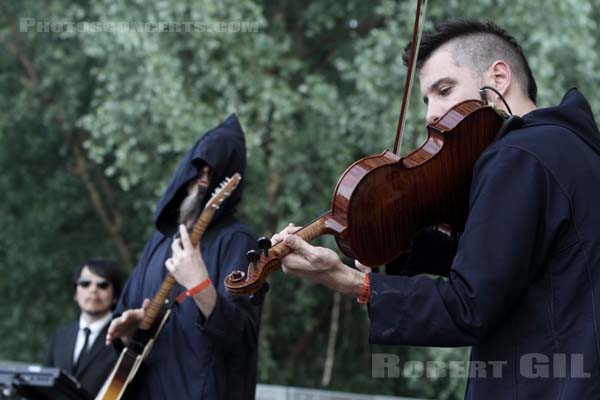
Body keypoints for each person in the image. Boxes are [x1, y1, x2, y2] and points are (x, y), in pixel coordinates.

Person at [273, 18, 600, 398]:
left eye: (444, 90)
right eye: (427, 100)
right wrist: (403, 242)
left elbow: (470, 305)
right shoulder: (575, 151)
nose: (430, 114)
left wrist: (348, 281)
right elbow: (510, 268)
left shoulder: (517, 157)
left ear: (498, 78)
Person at [105, 114, 261, 400]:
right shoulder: (160, 240)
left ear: (228, 180)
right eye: (198, 167)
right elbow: (126, 327)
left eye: (212, 171)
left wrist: (200, 286)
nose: (203, 176)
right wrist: (130, 329)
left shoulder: (238, 242)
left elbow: (243, 338)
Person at [45, 258, 126, 397]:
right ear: (75, 293)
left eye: (103, 285)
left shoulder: (124, 336)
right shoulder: (59, 337)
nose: (93, 290)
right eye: (85, 283)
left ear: (115, 296)